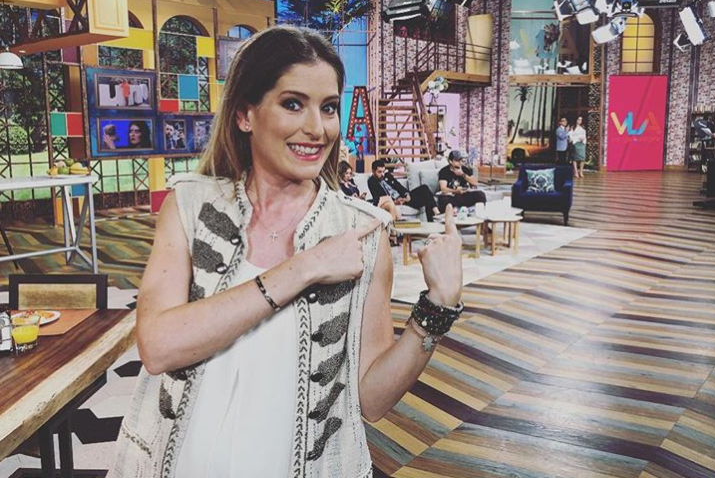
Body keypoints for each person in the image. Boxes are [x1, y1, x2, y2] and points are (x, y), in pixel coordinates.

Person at [109, 26, 463, 478]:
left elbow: (372, 399)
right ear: (245, 114)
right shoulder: (190, 205)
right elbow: (158, 347)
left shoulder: (362, 232)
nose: (317, 129)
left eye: (328, 107)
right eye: (293, 104)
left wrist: (435, 309)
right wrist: (303, 268)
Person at [367, 159, 440, 221]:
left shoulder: (387, 176)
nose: (382, 174)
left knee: (424, 188)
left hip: (403, 198)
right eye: (379, 172)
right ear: (373, 171)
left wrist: (406, 194)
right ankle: (433, 219)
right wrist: (395, 201)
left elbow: (399, 186)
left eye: (383, 171)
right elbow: (378, 198)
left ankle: (436, 214)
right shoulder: (371, 182)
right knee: (425, 198)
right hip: (394, 201)